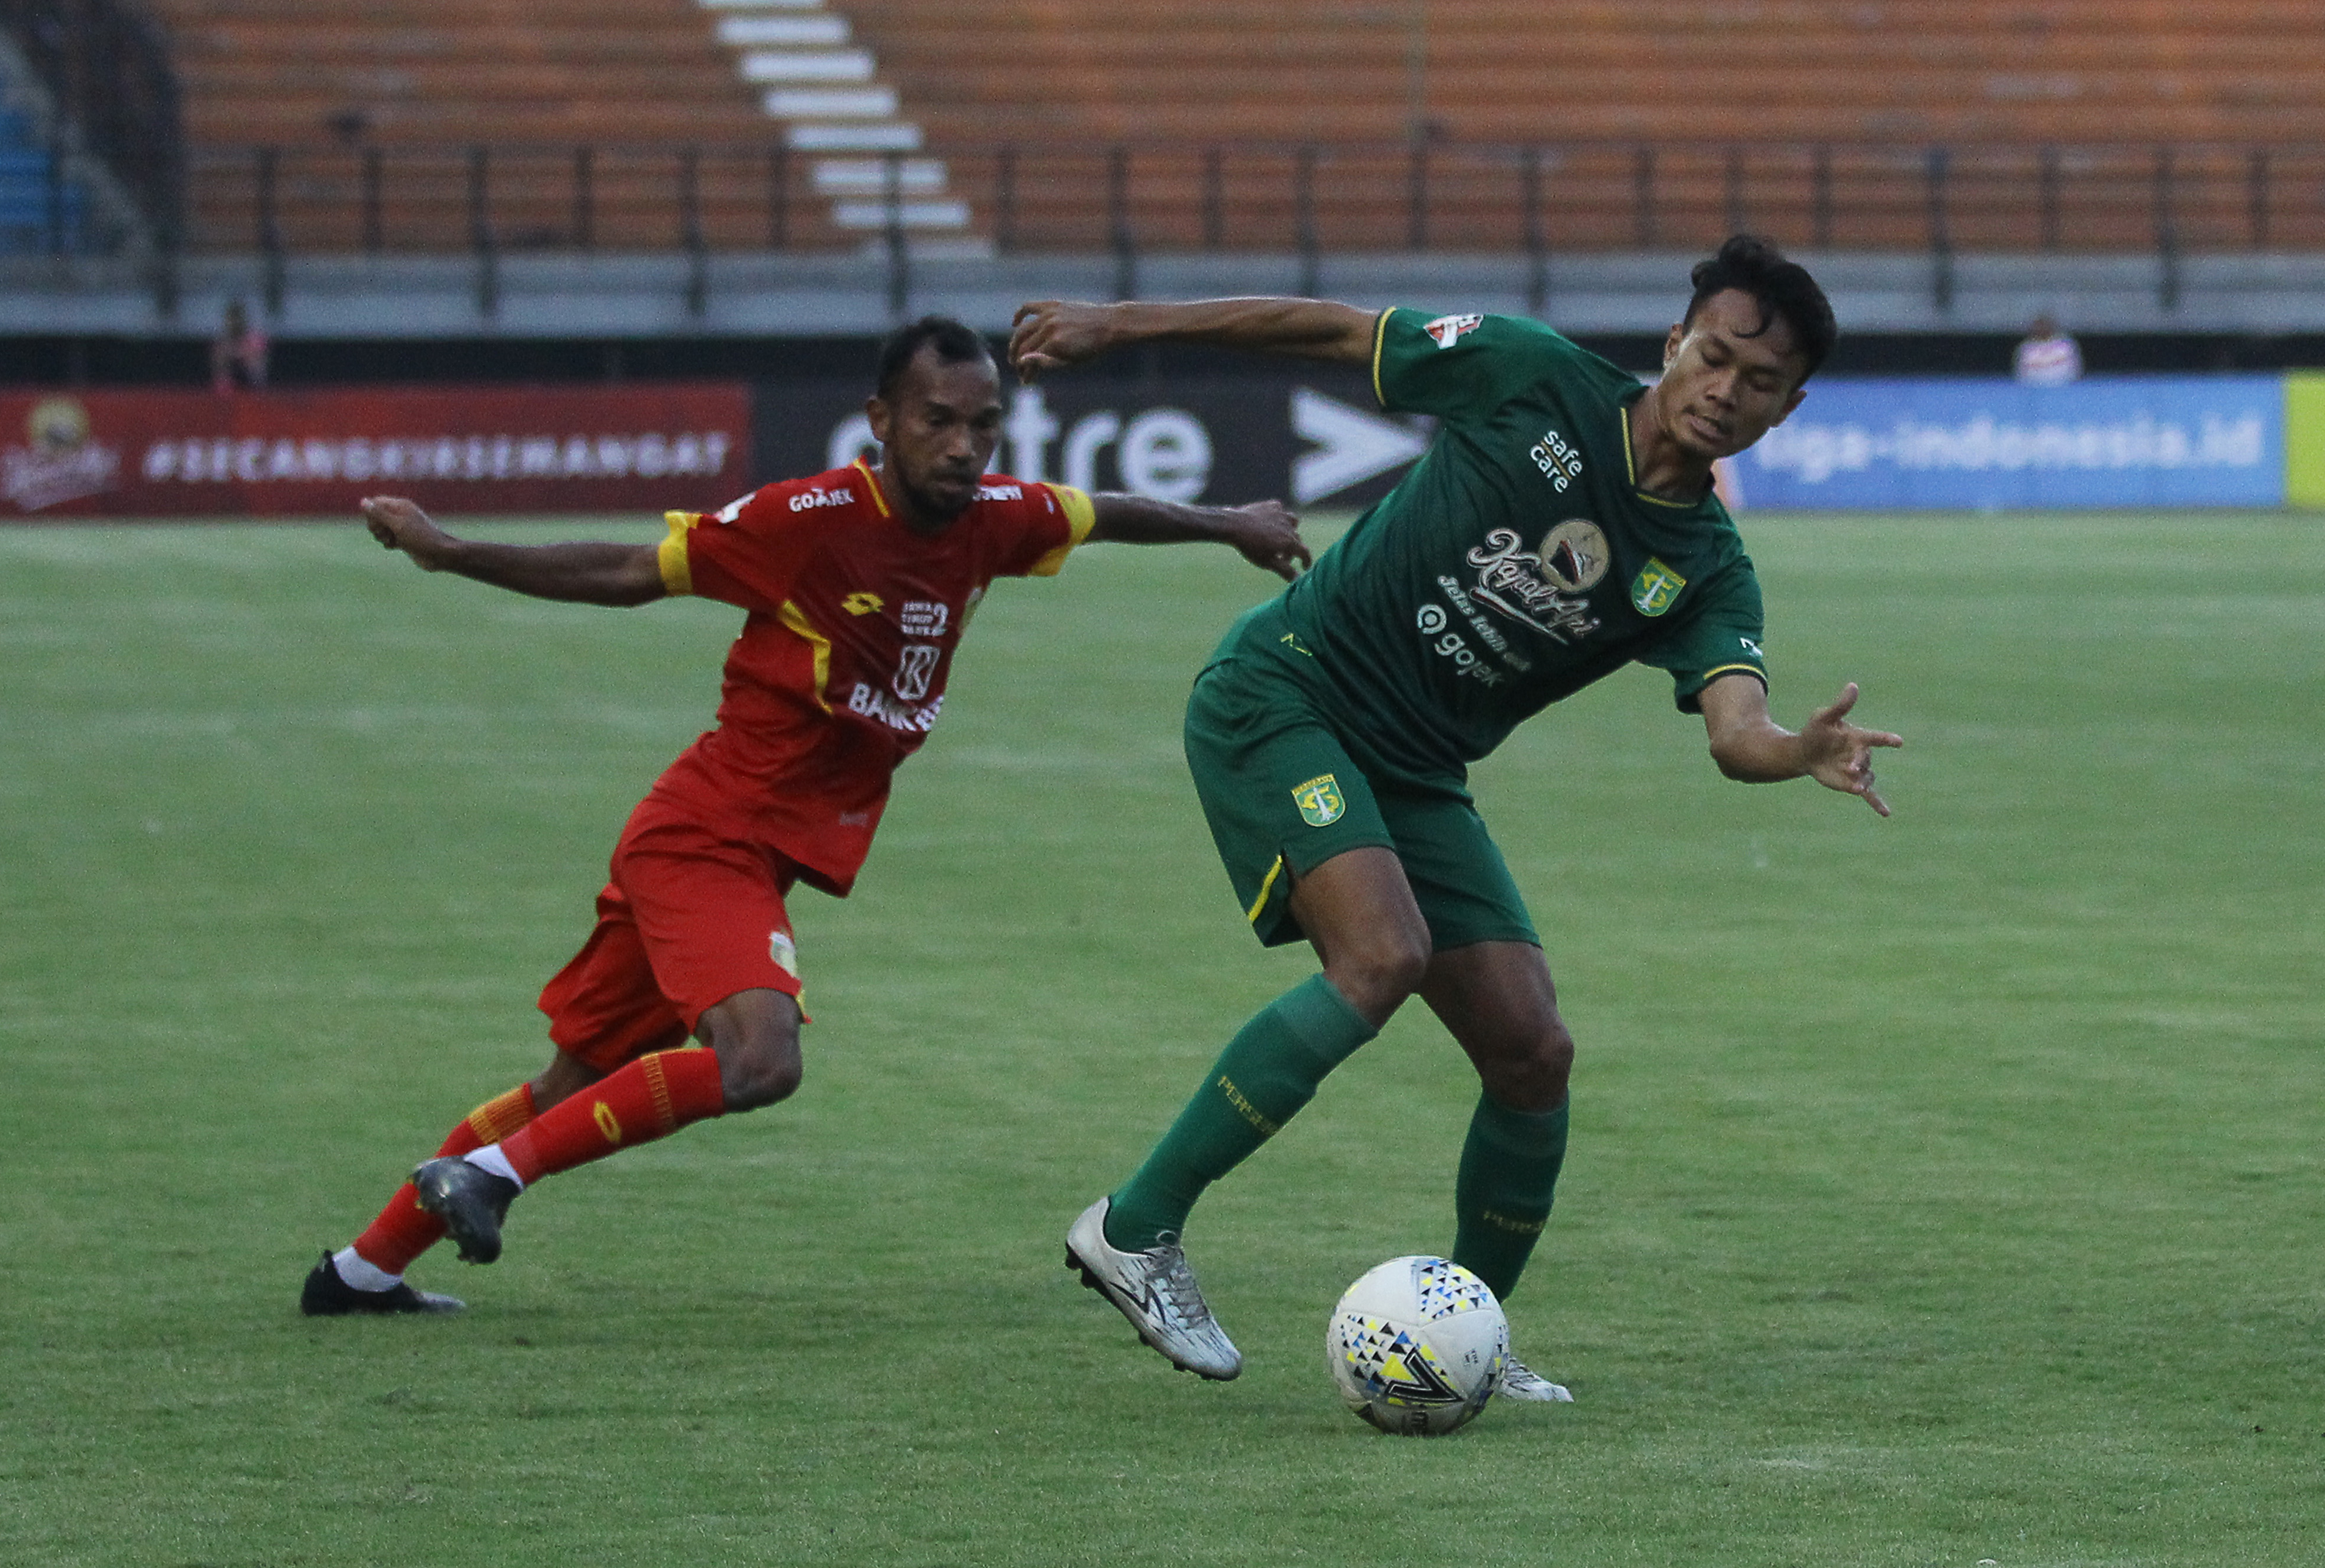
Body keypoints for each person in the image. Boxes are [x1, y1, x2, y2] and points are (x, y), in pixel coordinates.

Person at [1009, 235, 1902, 1396]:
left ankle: (1462, 1332)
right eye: (1716, 358)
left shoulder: (1706, 568)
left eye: (1761, 384)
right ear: (1673, 343)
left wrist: (1795, 752)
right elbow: (1327, 329)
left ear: (1786, 411)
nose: (1727, 393)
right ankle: (1133, 1227)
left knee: (1532, 1051)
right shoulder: (1530, 375)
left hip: (1416, 772)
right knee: (1381, 954)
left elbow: (1735, 731)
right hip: (1286, 691)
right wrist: (1116, 326)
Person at [300, 316, 1310, 1315]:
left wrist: (1231, 525)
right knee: (760, 1059)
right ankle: (489, 1179)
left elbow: (1102, 512)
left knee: (573, 1081)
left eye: (985, 425)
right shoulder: (808, 518)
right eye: (938, 421)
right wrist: (450, 550)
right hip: (709, 839)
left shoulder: (994, 516)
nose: (963, 446)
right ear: (881, 418)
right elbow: (623, 572)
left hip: (743, 849)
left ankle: (360, 1270)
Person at [211, 300, 269, 393]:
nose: (234, 323)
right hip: (231, 384)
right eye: (231, 319)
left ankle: (256, 391)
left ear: (243, 319)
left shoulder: (254, 338)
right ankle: (224, 390)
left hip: (252, 381)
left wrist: (241, 354)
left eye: (237, 319)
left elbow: (258, 360)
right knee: (221, 355)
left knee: (254, 360)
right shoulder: (223, 342)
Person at [2013, 314, 2082, 386]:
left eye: (2045, 326)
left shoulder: (2065, 345)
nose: (2042, 329)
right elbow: (2020, 373)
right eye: (2039, 326)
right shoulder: (2026, 349)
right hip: (2034, 389)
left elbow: (2076, 370)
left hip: (2063, 387)